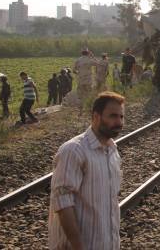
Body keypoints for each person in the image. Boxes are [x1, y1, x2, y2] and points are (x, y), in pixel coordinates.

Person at [48, 91, 125, 250]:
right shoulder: (74, 151)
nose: (119, 122)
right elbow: (63, 204)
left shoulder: (112, 151)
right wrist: (78, 246)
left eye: (121, 117)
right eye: (112, 116)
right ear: (96, 117)